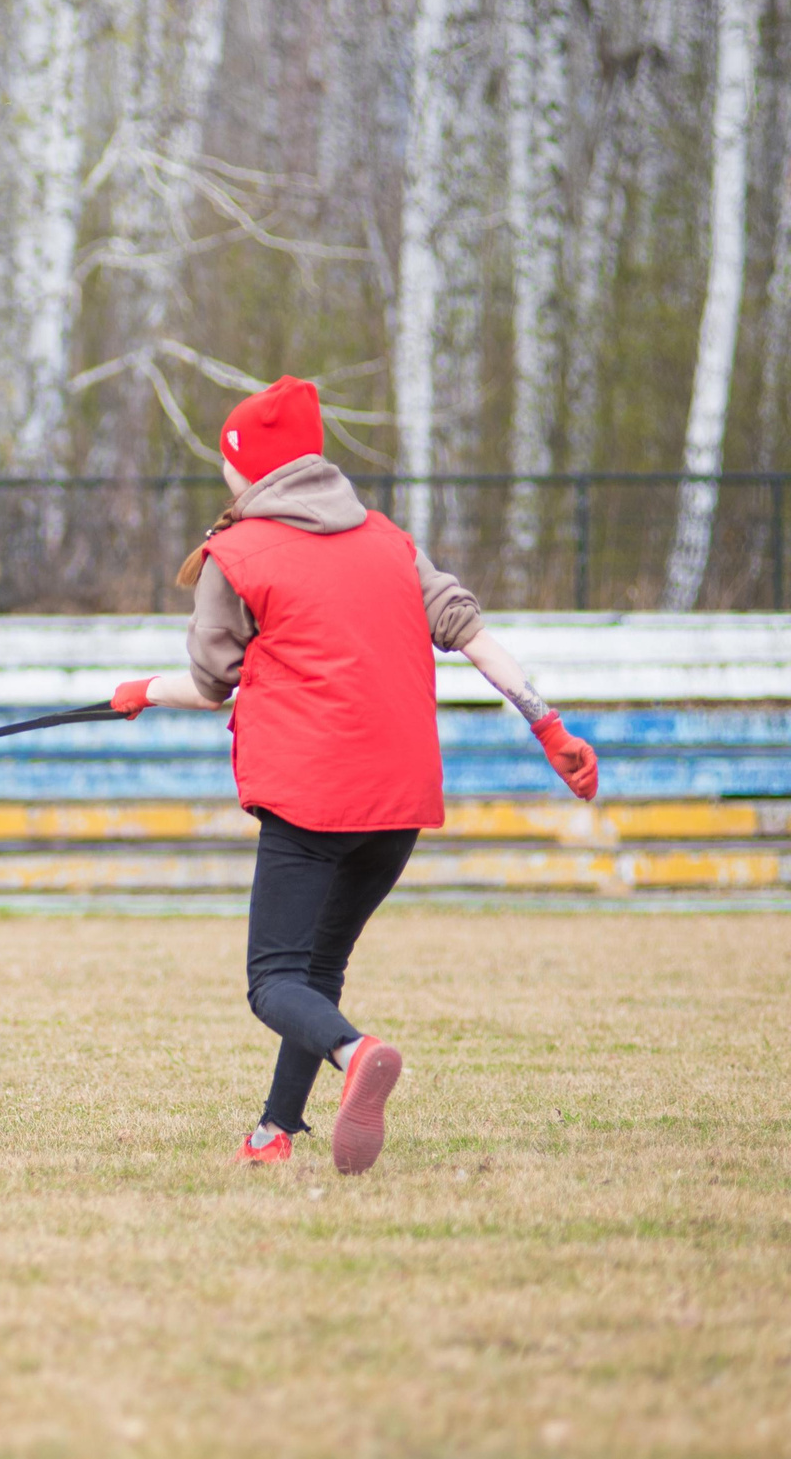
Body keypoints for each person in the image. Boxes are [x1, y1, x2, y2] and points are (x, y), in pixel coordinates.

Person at [110, 377, 598, 1176]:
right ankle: (274, 1130)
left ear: (248, 468)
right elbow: (470, 632)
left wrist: (139, 690)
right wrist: (548, 724)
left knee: (273, 980)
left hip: (312, 796)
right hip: (398, 802)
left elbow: (208, 685)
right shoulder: (389, 540)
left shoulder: (236, 553)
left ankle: (354, 1050)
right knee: (318, 968)